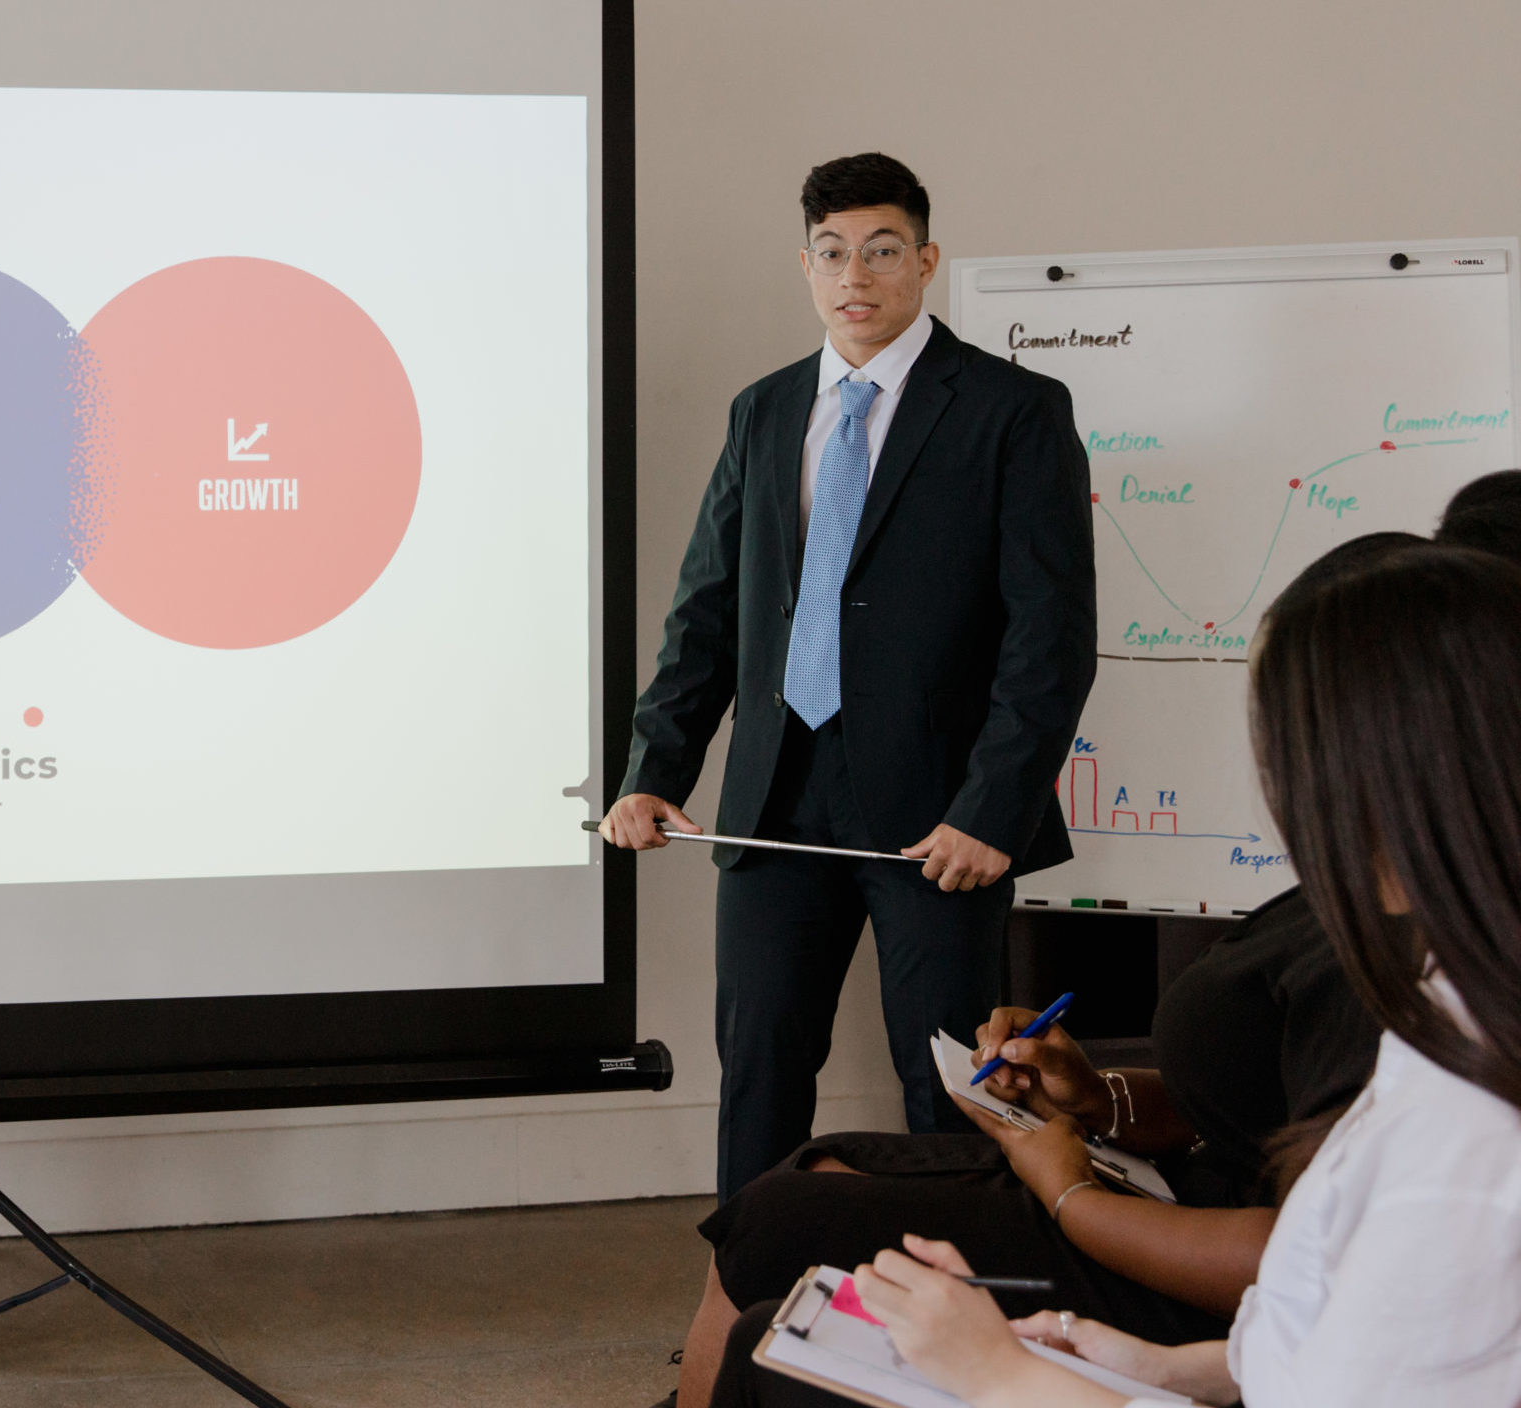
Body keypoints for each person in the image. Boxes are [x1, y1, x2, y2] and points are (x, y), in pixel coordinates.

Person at [712, 539, 1521, 1407]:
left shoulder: (1461, 1135)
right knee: (781, 1329)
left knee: (787, 1345)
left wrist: (1002, 1372)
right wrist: (1148, 1365)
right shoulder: (1452, 1006)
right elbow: (1312, 1326)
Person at [600, 152, 1096, 1200]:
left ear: (924, 261)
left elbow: (1048, 635)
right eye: (831, 253)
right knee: (761, 1072)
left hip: (942, 820)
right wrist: (658, 769)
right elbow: (707, 611)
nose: (853, 275)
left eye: (879, 251)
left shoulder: (1012, 409)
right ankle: (748, 1311)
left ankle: (958, 1312)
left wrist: (992, 810)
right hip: (777, 797)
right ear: (805, 265)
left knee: (951, 1086)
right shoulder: (766, 410)